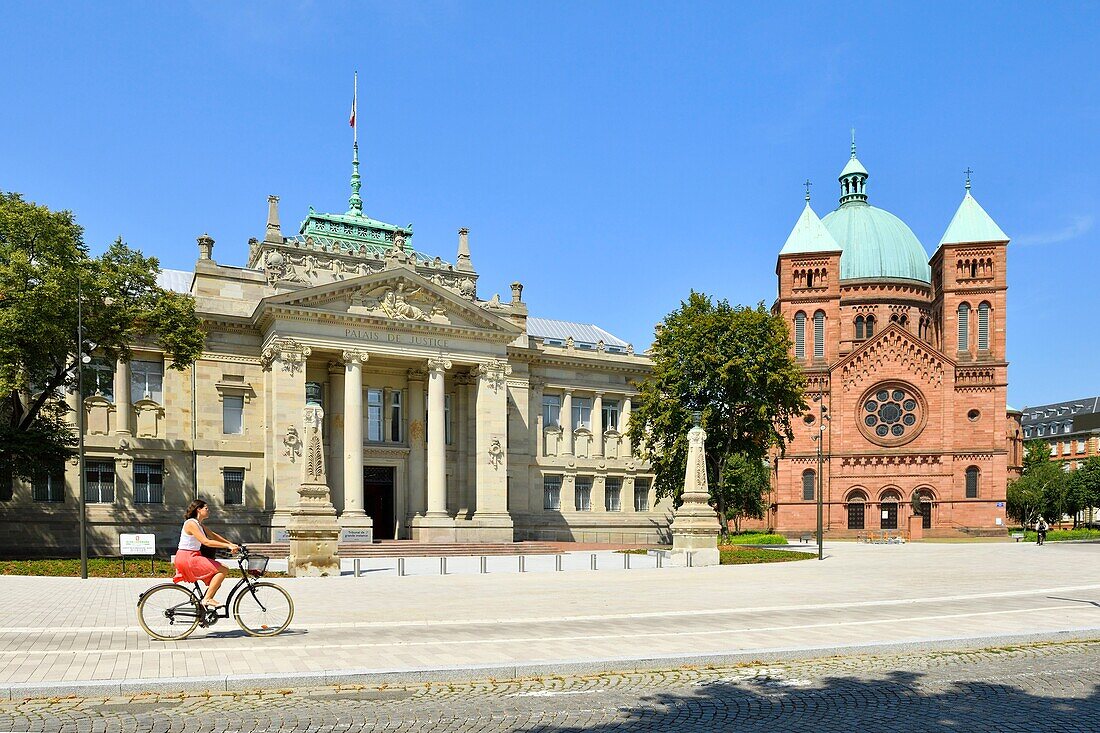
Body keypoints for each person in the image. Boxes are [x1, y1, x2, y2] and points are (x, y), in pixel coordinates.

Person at [173, 499, 239, 609]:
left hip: (193, 556)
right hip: (188, 557)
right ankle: (207, 599)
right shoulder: (191, 523)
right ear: (198, 509)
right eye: (206, 508)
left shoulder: (199, 524)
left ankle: (204, 606)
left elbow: (213, 536)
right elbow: (206, 541)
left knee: (216, 579)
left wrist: (231, 544)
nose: (209, 511)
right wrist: (227, 546)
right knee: (223, 569)